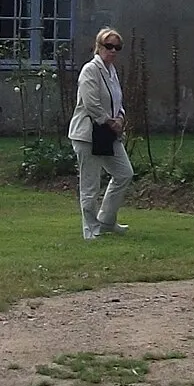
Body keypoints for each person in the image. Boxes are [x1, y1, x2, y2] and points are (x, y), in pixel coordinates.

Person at [69, 27, 133, 238]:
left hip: (109, 133)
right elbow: (90, 103)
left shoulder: (112, 71)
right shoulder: (90, 70)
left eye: (117, 47)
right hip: (88, 133)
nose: (113, 51)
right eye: (109, 46)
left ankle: (106, 220)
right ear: (99, 46)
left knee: (124, 173)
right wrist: (108, 121)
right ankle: (90, 229)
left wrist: (120, 117)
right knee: (90, 184)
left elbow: (117, 100)